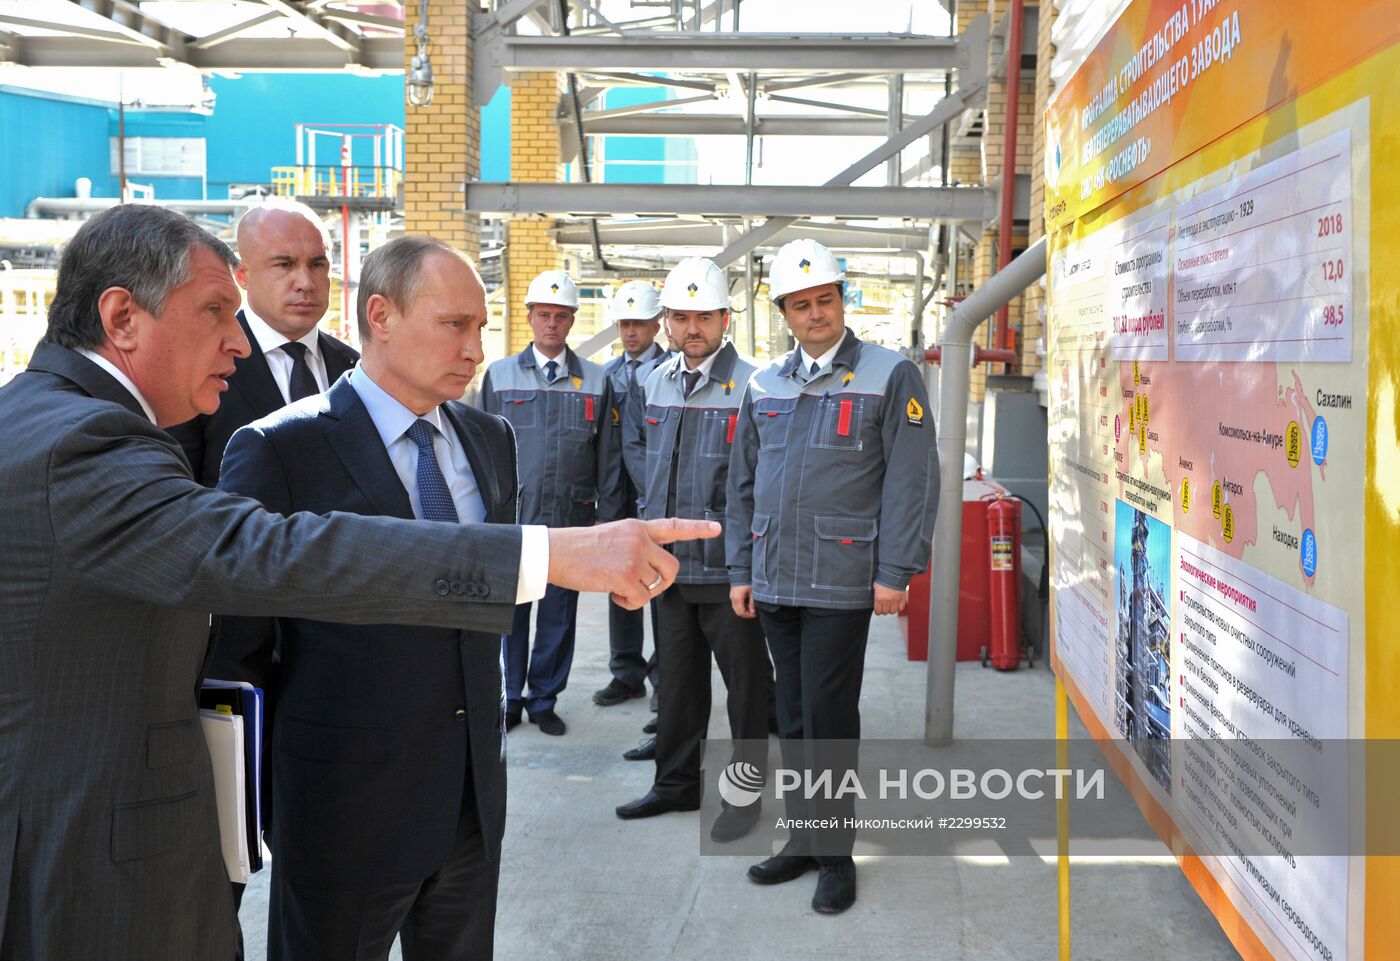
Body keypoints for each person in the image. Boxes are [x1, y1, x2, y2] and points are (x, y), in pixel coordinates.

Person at [0, 204, 716, 961]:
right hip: (109, 865)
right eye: (217, 310)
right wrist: (547, 557)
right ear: (122, 317)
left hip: (457, 797)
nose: (239, 341)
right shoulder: (86, 443)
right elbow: (268, 564)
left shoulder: (52, 421)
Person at [215, 237, 514, 960]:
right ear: (381, 315)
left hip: (470, 803)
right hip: (342, 816)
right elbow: (237, 650)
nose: (476, 347)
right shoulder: (281, 449)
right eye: (455, 324)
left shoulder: (490, 438)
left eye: (481, 325)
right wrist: (255, 813)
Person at [726, 238, 937, 914]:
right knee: (791, 714)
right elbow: (742, 484)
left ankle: (836, 855)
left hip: (844, 577)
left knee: (827, 716)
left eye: (825, 299)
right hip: (775, 574)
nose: (814, 313)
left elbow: (911, 479)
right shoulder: (763, 383)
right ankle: (802, 838)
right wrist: (741, 567)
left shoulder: (889, 373)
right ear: (783, 311)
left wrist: (895, 570)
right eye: (800, 304)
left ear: (843, 299)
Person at [614, 258, 770, 843]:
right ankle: (675, 785)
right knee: (677, 686)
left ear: (725, 319)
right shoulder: (651, 382)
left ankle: (744, 799)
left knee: (746, 693)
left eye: (703, 316)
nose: (691, 328)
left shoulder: (754, 385)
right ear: (666, 323)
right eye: (680, 317)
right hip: (669, 566)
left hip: (730, 569)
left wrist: (748, 565)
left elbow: (758, 484)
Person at [478, 270, 620, 736]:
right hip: (513, 518)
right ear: (530, 318)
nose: (552, 324)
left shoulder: (597, 381)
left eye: (561, 316)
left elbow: (607, 457)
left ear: (573, 319)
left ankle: (543, 699)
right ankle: (510, 697)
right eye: (544, 315)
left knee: (559, 615)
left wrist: (606, 523)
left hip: (571, 519)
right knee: (510, 614)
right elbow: (479, 449)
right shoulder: (499, 376)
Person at [167, 198, 358, 486]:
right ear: (242, 274)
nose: (306, 282)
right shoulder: (196, 365)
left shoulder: (355, 368)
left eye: (318, 264)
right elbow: (177, 491)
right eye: (284, 264)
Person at [594, 280, 668, 709]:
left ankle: (664, 678)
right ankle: (626, 673)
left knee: (659, 583)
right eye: (624, 323)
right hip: (615, 494)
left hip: (652, 490)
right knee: (619, 581)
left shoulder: (671, 372)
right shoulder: (606, 376)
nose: (631, 332)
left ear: (656, 325)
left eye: (639, 323)